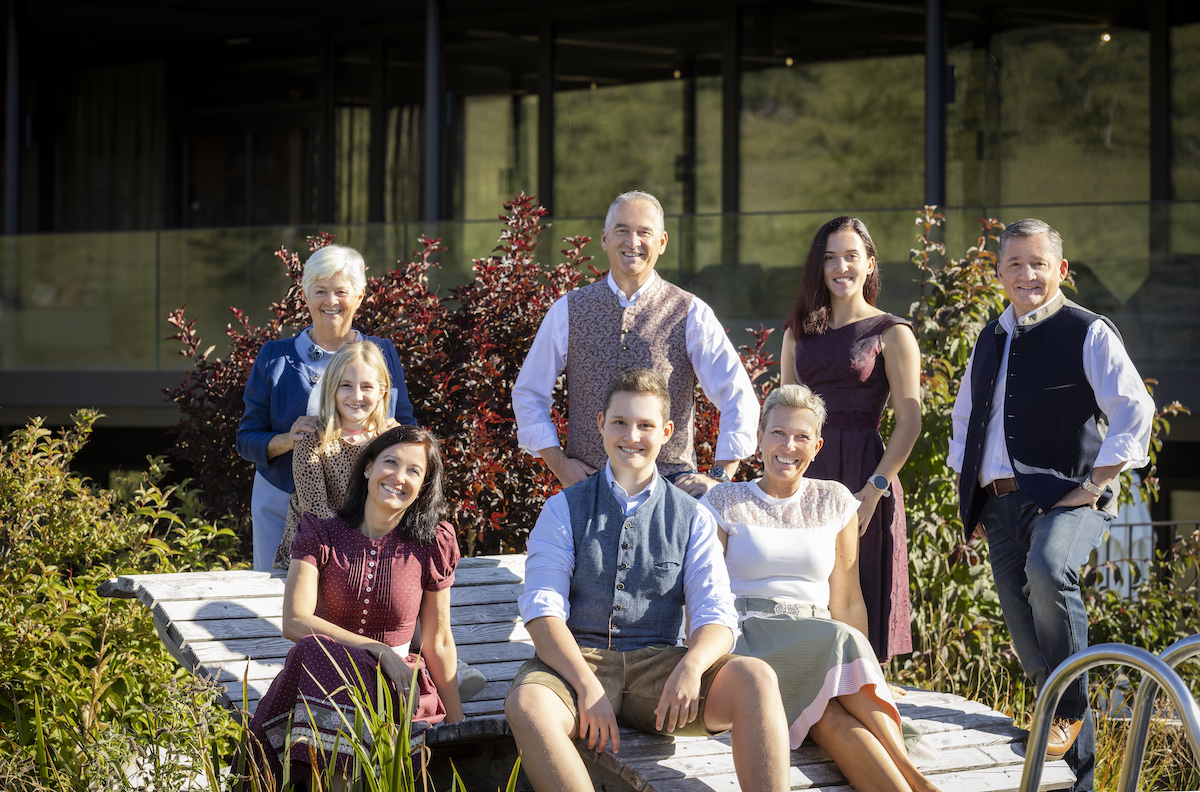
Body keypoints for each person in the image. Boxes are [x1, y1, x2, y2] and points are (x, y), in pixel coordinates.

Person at [505, 368, 790, 792]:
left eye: (645, 425)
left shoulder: (693, 517)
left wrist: (692, 665)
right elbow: (543, 612)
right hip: (576, 663)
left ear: (667, 432)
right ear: (601, 424)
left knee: (757, 678)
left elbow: (716, 612)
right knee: (527, 704)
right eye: (619, 422)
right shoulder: (563, 509)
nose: (631, 436)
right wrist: (586, 686)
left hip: (659, 670)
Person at [949, 218, 1155, 792]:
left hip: (1071, 497)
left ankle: (1065, 710)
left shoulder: (1087, 331)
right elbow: (967, 422)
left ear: (1060, 270)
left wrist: (1094, 484)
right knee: (1022, 625)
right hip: (1000, 505)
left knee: (1048, 569)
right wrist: (974, 498)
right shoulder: (989, 337)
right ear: (998, 274)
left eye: (1038, 263)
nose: (1026, 274)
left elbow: (1135, 411)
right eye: (1014, 264)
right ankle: (1064, 738)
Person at [701, 384, 939, 792]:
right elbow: (704, 592)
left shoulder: (835, 501)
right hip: (751, 639)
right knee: (837, 643)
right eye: (777, 433)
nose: (787, 445)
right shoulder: (724, 501)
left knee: (832, 721)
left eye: (801, 437)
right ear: (760, 439)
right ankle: (917, 779)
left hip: (823, 642)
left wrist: (866, 673)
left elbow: (846, 597)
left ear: (817, 446)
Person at [249, 425, 464, 785]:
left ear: (424, 485)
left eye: (414, 471)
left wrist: (459, 724)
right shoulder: (320, 532)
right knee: (314, 651)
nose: (399, 477)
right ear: (367, 467)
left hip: (392, 692)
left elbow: (438, 641)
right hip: (323, 687)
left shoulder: (432, 543)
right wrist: (376, 648)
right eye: (390, 462)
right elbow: (295, 621)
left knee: (317, 655)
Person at [512, 190, 759, 497]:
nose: (633, 242)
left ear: (662, 242)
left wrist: (720, 475)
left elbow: (738, 394)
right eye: (622, 230)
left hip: (671, 494)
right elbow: (528, 393)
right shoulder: (567, 310)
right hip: (590, 489)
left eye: (644, 232)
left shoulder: (690, 311)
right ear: (604, 239)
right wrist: (559, 464)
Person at [780, 216, 921, 662]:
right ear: (818, 267)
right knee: (804, 591)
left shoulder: (892, 332)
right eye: (830, 258)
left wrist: (873, 492)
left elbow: (910, 422)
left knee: (862, 594)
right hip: (806, 476)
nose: (841, 267)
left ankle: (868, 703)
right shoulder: (797, 334)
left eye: (851, 256)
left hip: (864, 477)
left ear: (869, 263)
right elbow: (782, 415)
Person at [237, 244, 416, 571]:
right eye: (320, 291)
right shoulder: (274, 357)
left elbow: (407, 430)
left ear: (360, 296)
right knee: (275, 601)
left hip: (364, 504)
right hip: (278, 501)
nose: (330, 301)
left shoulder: (382, 353)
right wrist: (287, 440)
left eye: (341, 291)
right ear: (305, 295)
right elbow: (246, 439)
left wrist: (396, 435)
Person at [273, 340, 397, 569]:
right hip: (316, 552)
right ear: (331, 387)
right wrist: (357, 552)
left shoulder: (391, 442)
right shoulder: (312, 439)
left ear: (382, 391)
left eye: (367, 386)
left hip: (377, 554)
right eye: (346, 385)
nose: (356, 396)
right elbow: (315, 509)